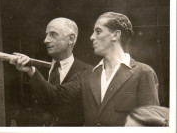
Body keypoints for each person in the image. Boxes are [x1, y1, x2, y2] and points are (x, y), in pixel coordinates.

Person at [10, 12, 160, 126]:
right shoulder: (87, 76)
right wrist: (31, 71)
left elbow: (151, 124)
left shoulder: (143, 72)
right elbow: (56, 97)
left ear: (115, 35)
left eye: (98, 31)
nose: (91, 37)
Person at [13, 17, 92, 126]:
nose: (46, 40)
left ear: (71, 39)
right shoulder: (33, 69)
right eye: (46, 35)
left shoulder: (88, 72)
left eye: (53, 34)